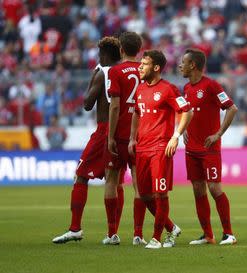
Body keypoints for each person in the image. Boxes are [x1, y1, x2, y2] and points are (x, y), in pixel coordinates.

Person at [52, 36, 122, 243]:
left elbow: (87, 104)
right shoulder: (123, 72)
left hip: (104, 130)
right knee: (115, 181)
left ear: (104, 54)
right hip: (121, 130)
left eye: (99, 52)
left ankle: (75, 228)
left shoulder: (102, 73)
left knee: (81, 175)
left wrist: (93, 80)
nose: (97, 55)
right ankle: (113, 233)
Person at [129, 50, 193, 249]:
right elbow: (137, 114)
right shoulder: (139, 89)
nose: (140, 67)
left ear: (156, 68)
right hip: (142, 148)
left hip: (160, 148)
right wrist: (133, 138)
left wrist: (175, 136)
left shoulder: (168, 89)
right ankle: (171, 227)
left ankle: (157, 237)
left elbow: (187, 111)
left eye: (145, 64)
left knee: (160, 194)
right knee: (145, 195)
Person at [179, 48, 238, 245]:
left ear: (193, 65)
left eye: (183, 62)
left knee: (214, 188)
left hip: (209, 148)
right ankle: (208, 235)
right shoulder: (186, 88)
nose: (180, 65)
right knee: (198, 190)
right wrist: (184, 127)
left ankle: (229, 234)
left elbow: (232, 108)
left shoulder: (212, 86)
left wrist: (218, 134)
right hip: (191, 148)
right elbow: (185, 112)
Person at [102, 31, 148, 245]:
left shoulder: (115, 71)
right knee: (139, 185)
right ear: (139, 50)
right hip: (140, 134)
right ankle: (138, 234)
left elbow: (115, 105)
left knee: (111, 180)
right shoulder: (145, 70)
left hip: (120, 134)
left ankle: (112, 234)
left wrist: (110, 136)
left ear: (121, 49)